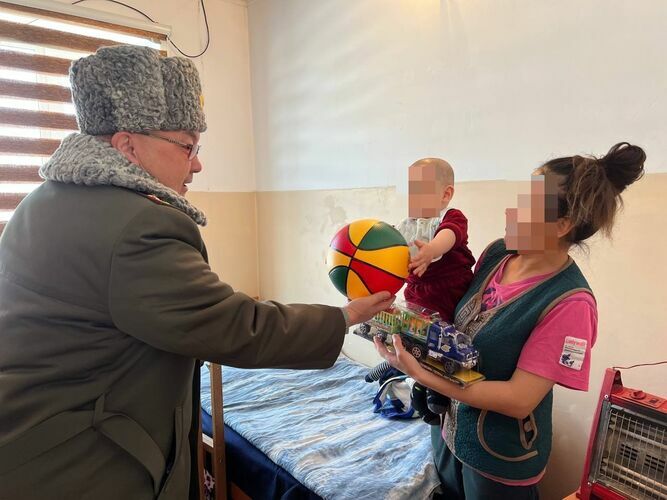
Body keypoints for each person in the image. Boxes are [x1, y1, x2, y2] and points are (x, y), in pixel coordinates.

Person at [0, 45, 394, 500]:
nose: (198, 163)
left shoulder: (44, 201)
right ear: (127, 145)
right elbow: (233, 325)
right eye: (187, 146)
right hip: (84, 462)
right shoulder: (136, 224)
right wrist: (345, 316)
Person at [375, 143, 645, 499]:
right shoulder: (497, 254)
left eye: (527, 205)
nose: (510, 211)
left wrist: (422, 375)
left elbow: (519, 399)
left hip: (499, 461)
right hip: (448, 430)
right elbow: (455, 322)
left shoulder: (570, 303)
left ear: (562, 225)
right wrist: (408, 320)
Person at [395, 158, 475, 422]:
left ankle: (437, 388)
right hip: (418, 291)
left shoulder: (451, 217)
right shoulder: (407, 224)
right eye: (411, 190)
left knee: (441, 341)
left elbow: (449, 235)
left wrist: (431, 250)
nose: (414, 197)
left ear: (446, 194)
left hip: (448, 291)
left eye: (422, 189)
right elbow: (392, 250)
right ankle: (417, 381)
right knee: (411, 336)